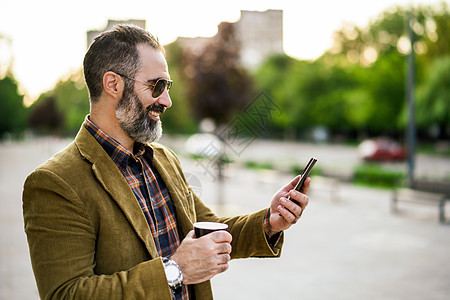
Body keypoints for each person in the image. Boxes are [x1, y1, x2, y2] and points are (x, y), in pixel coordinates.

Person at [22, 24, 311, 300]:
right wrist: (175, 271)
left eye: (168, 86)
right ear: (112, 84)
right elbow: (67, 294)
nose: (167, 100)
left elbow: (207, 226)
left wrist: (269, 223)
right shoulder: (54, 182)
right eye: (156, 86)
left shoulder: (163, 158)